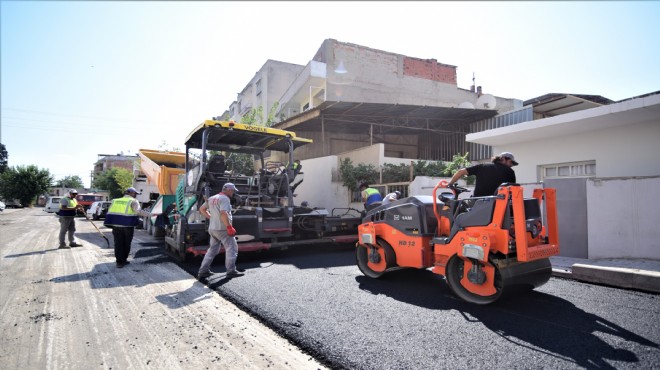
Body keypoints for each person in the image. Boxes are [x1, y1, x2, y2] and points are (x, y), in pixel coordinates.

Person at [197, 182, 244, 279]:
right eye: (233, 191)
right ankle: (231, 271)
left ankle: (203, 271)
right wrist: (229, 227)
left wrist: (211, 218)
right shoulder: (225, 199)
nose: (233, 193)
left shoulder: (212, 198)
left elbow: (201, 209)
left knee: (212, 250)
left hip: (213, 229)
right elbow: (223, 213)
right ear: (229, 190)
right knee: (232, 248)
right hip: (222, 229)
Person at [104, 187, 150, 268]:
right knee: (126, 243)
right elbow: (138, 212)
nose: (135, 195)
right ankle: (123, 260)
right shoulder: (133, 201)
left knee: (118, 243)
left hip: (116, 225)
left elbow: (110, 212)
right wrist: (151, 214)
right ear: (130, 193)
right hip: (127, 226)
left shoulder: (115, 200)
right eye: (135, 193)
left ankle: (119, 262)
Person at [447, 152, 518, 197]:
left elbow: (460, 172)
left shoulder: (482, 166)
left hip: (478, 203)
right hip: (498, 205)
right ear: (503, 159)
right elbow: (512, 190)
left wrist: (450, 184)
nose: (511, 165)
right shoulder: (510, 172)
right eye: (511, 162)